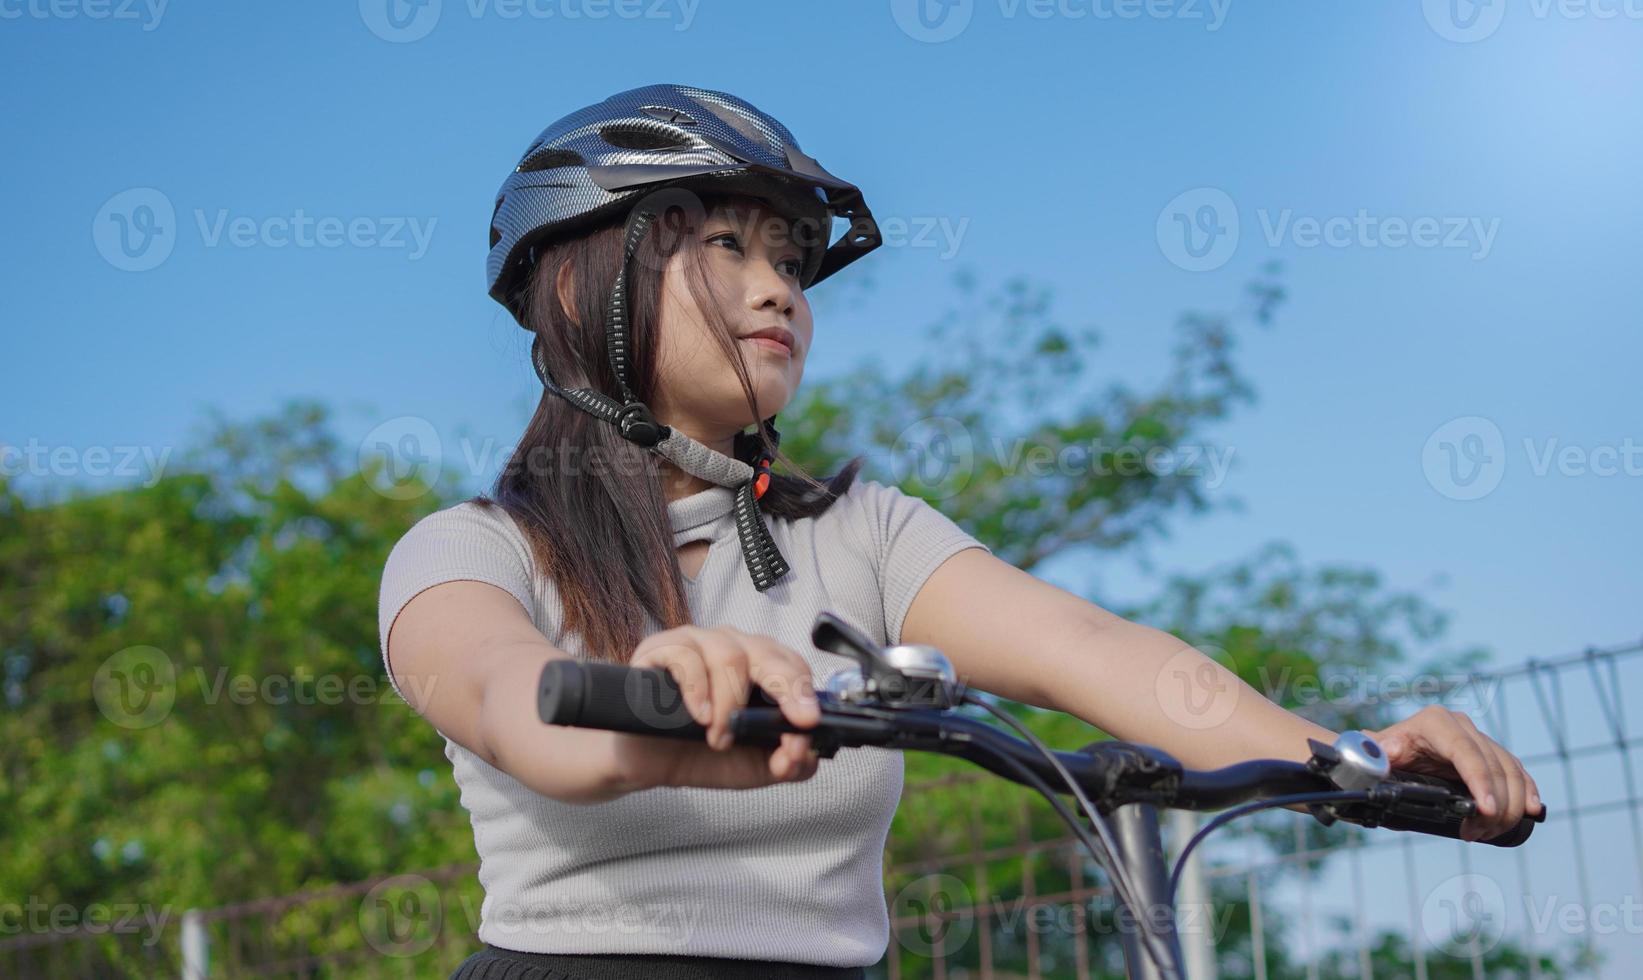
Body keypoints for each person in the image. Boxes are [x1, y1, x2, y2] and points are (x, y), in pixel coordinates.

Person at [378, 84, 1544, 980]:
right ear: (581, 290)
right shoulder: (472, 550)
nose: (781, 287)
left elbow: (1100, 651)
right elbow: (501, 695)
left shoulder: (861, 533)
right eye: (724, 246)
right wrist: (648, 702)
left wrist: (1346, 760)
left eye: (791, 259)